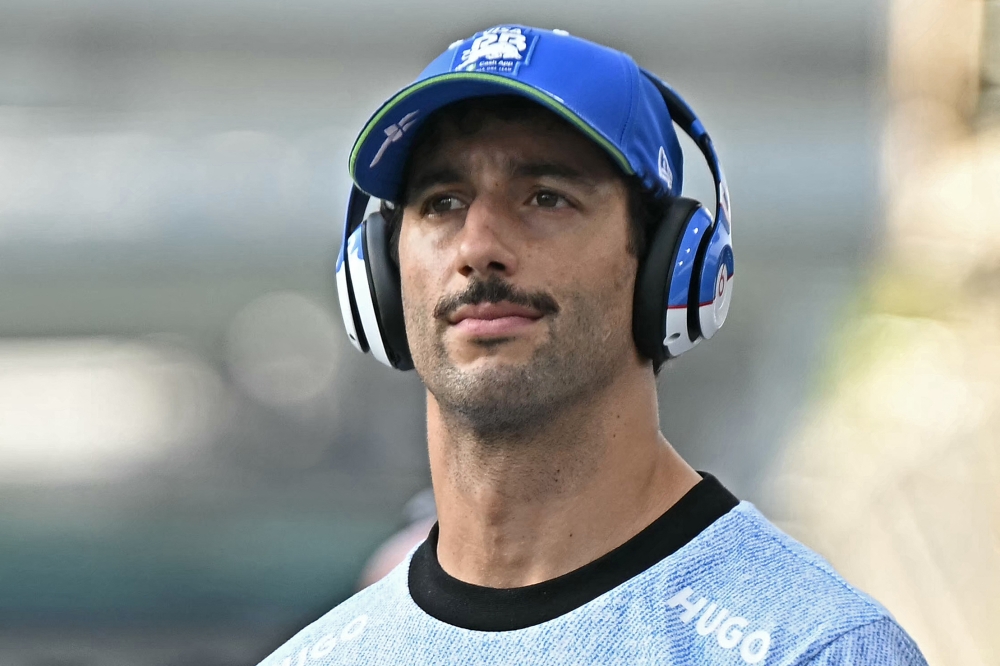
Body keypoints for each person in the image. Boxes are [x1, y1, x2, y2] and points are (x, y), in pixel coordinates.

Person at [260, 25, 926, 665]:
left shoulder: (811, 649)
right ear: (376, 273)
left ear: (669, 266)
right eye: (441, 202)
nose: (479, 248)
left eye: (546, 197)